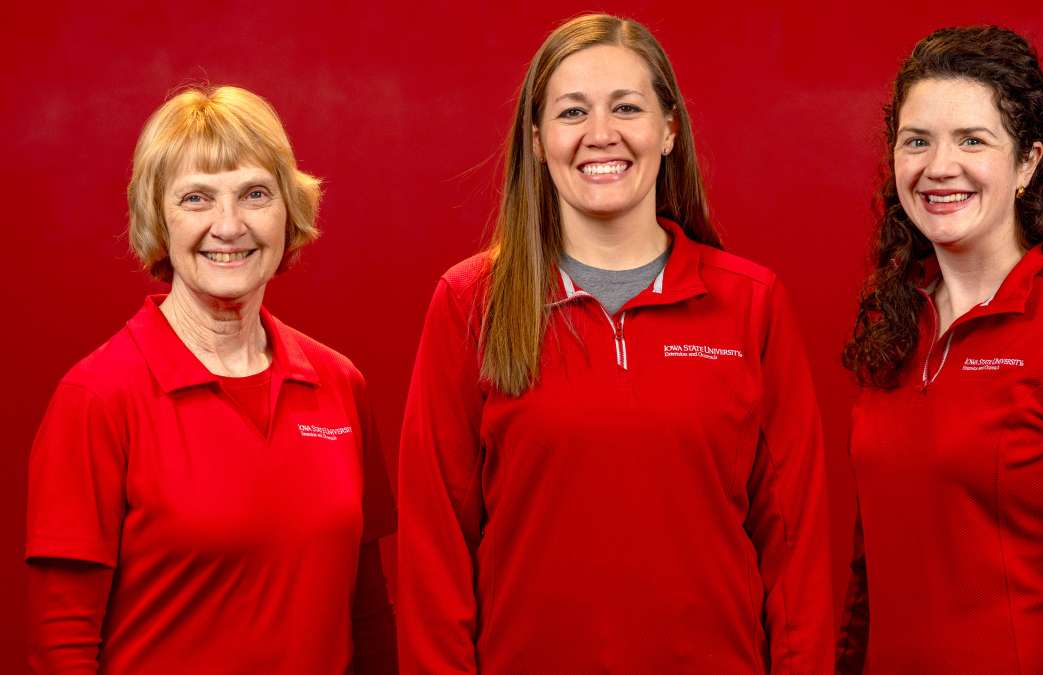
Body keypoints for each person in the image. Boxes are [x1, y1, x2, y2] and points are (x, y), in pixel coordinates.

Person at [397, 13, 833, 673]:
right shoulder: (470, 303)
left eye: (626, 107)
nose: (601, 134)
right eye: (572, 111)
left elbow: (796, 548)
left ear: (668, 130)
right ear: (537, 140)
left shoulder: (751, 304)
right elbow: (434, 552)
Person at [25, 85, 397, 674]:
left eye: (255, 194)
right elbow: (60, 644)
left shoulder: (340, 385)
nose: (229, 225)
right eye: (197, 198)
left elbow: (369, 618)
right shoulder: (96, 398)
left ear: (287, 211)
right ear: (158, 216)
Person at [837, 26, 1043, 674]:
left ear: (1027, 162)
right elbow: (868, 578)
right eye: (917, 141)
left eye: (972, 140)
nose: (939, 166)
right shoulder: (896, 326)